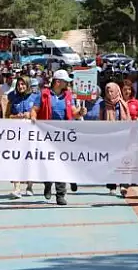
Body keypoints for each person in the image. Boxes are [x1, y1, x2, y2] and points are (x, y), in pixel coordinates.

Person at [30, 69, 87, 206]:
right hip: (46, 134)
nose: (68, 84)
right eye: (65, 81)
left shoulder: (68, 96)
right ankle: (48, 184)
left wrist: (80, 112)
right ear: (57, 82)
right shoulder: (43, 94)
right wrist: (33, 120)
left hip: (63, 134)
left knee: (62, 163)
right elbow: (34, 110)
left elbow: (74, 113)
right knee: (47, 163)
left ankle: (60, 194)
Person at [6, 76, 37, 197]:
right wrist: (16, 117)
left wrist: (30, 114)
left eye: (23, 84)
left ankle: (29, 186)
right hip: (16, 133)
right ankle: (17, 187)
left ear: (28, 85)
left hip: (31, 133)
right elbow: (7, 115)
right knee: (16, 160)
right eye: (19, 84)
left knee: (30, 160)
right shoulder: (12, 98)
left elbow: (39, 113)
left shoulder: (35, 97)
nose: (21, 86)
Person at [101, 82, 131, 196]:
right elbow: (100, 119)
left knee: (123, 161)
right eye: (108, 91)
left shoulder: (123, 104)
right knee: (111, 161)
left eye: (112, 91)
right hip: (108, 137)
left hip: (122, 136)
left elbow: (127, 119)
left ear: (117, 91)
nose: (109, 93)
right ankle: (112, 186)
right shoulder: (103, 104)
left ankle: (124, 185)